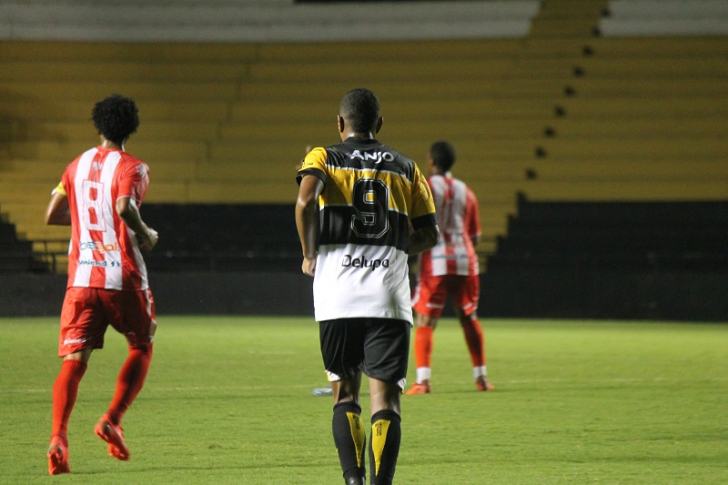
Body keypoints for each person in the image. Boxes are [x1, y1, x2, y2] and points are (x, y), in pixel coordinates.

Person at [295, 88, 439, 485]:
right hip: (388, 299)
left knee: (345, 397)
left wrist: (310, 253)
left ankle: (353, 481)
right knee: (387, 401)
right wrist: (394, 245)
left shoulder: (323, 156)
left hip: (336, 296)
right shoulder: (406, 167)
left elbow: (305, 203)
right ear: (379, 124)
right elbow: (430, 233)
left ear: (340, 124)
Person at [44, 94, 159, 475]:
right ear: (131, 129)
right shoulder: (134, 167)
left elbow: (52, 214)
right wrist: (145, 232)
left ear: (98, 126)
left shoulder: (75, 166)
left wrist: (84, 220)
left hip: (81, 279)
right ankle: (112, 418)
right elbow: (125, 207)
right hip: (122, 276)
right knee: (141, 344)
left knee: (74, 362)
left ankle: (58, 438)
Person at [406, 141, 494, 395]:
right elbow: (475, 236)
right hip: (466, 260)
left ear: (431, 161)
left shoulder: (425, 186)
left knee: (425, 319)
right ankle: (482, 378)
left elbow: (416, 225)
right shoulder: (466, 192)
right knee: (468, 316)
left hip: (437, 260)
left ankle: (423, 381)